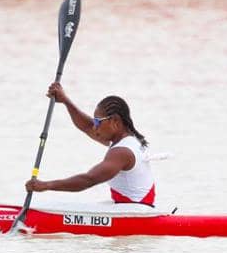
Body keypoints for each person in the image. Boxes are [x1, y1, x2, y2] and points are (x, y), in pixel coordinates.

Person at [24, 83, 156, 206]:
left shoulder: (122, 152)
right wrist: (65, 101)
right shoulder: (128, 139)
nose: (94, 127)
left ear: (115, 121)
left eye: (98, 122)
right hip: (134, 208)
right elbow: (87, 126)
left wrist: (46, 185)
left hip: (135, 213)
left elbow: (89, 180)